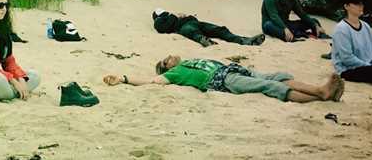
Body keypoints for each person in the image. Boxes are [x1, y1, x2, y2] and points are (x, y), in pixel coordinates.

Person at [103, 55, 343, 103]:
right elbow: (150, 82)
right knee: (271, 87)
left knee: (279, 76)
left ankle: (323, 93)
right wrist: (123, 78)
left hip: (234, 69)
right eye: (166, 61)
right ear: (166, 69)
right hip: (224, 81)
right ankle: (321, 92)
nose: (169, 57)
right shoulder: (174, 74)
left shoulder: (188, 60)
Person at [152, 8, 265, 47]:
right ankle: (205, 41)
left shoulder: (169, 15)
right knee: (193, 32)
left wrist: (187, 16)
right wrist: (174, 16)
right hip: (184, 26)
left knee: (220, 30)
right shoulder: (158, 20)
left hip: (194, 22)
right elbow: (163, 29)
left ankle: (245, 40)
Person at [261, 0, 325, 41]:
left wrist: (314, 25)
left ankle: (318, 34)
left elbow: (302, 14)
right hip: (273, 25)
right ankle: (293, 35)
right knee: (268, 25)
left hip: (287, 24)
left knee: (314, 21)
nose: (288, 1)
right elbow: (274, 16)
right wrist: (285, 28)